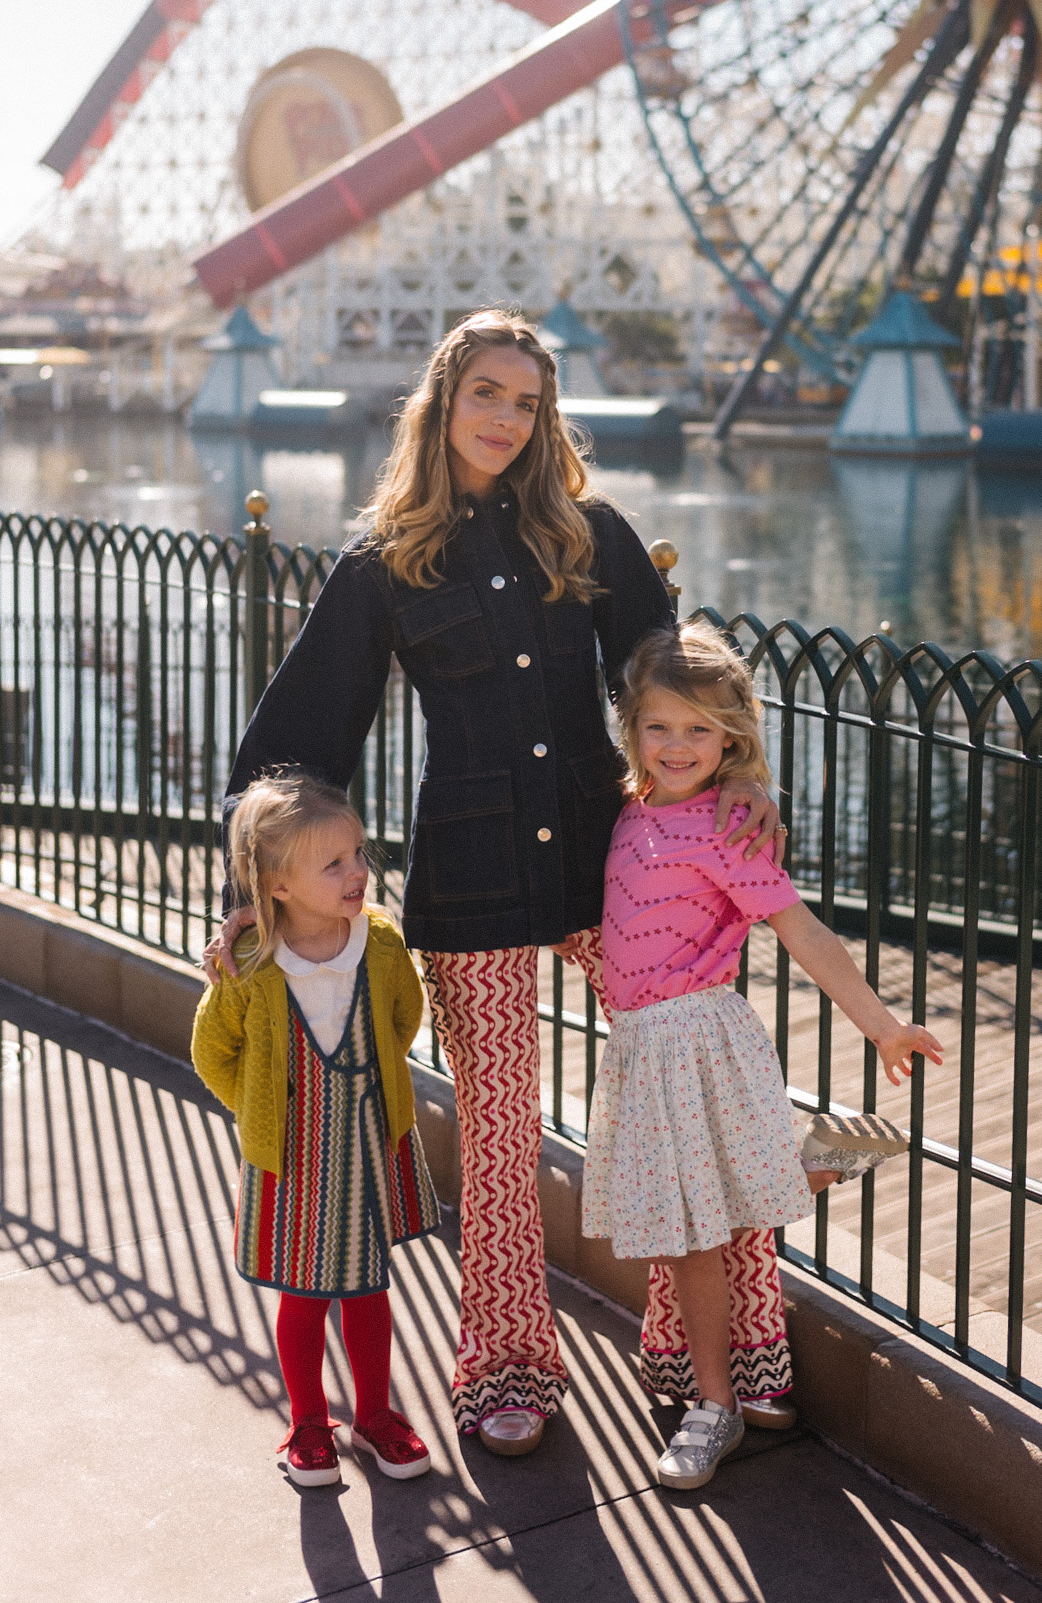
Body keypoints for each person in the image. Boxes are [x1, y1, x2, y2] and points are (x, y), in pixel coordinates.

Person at [205, 309, 788, 1457]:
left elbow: (673, 686)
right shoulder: (386, 559)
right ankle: (507, 1366)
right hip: (468, 879)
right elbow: (303, 734)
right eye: (487, 393)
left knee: (693, 1094)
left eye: (526, 402)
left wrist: (746, 779)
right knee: (499, 1133)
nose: (505, 419)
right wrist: (252, 887)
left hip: (610, 867)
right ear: (443, 399)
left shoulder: (592, 533)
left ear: (544, 418)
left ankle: (723, 1345)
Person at [582, 624, 945, 1490]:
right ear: (633, 728)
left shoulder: (725, 828)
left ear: (732, 739)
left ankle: (716, 1409)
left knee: (692, 1233)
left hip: (698, 1040)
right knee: (691, 1218)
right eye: (660, 726)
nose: (676, 746)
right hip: (638, 1047)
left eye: (699, 731)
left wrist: (880, 1024)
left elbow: (802, 932)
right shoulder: (629, 810)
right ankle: (816, 1160)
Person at [192, 769, 440, 1489]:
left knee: (368, 1289)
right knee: (302, 1298)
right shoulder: (249, 966)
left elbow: (403, 1019)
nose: (358, 872)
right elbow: (213, 1053)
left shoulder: (382, 945)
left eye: (358, 853)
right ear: (277, 885)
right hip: (293, 1157)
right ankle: (307, 1421)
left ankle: (374, 1414)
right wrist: (263, 1106)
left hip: (367, 1144)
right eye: (333, 864)